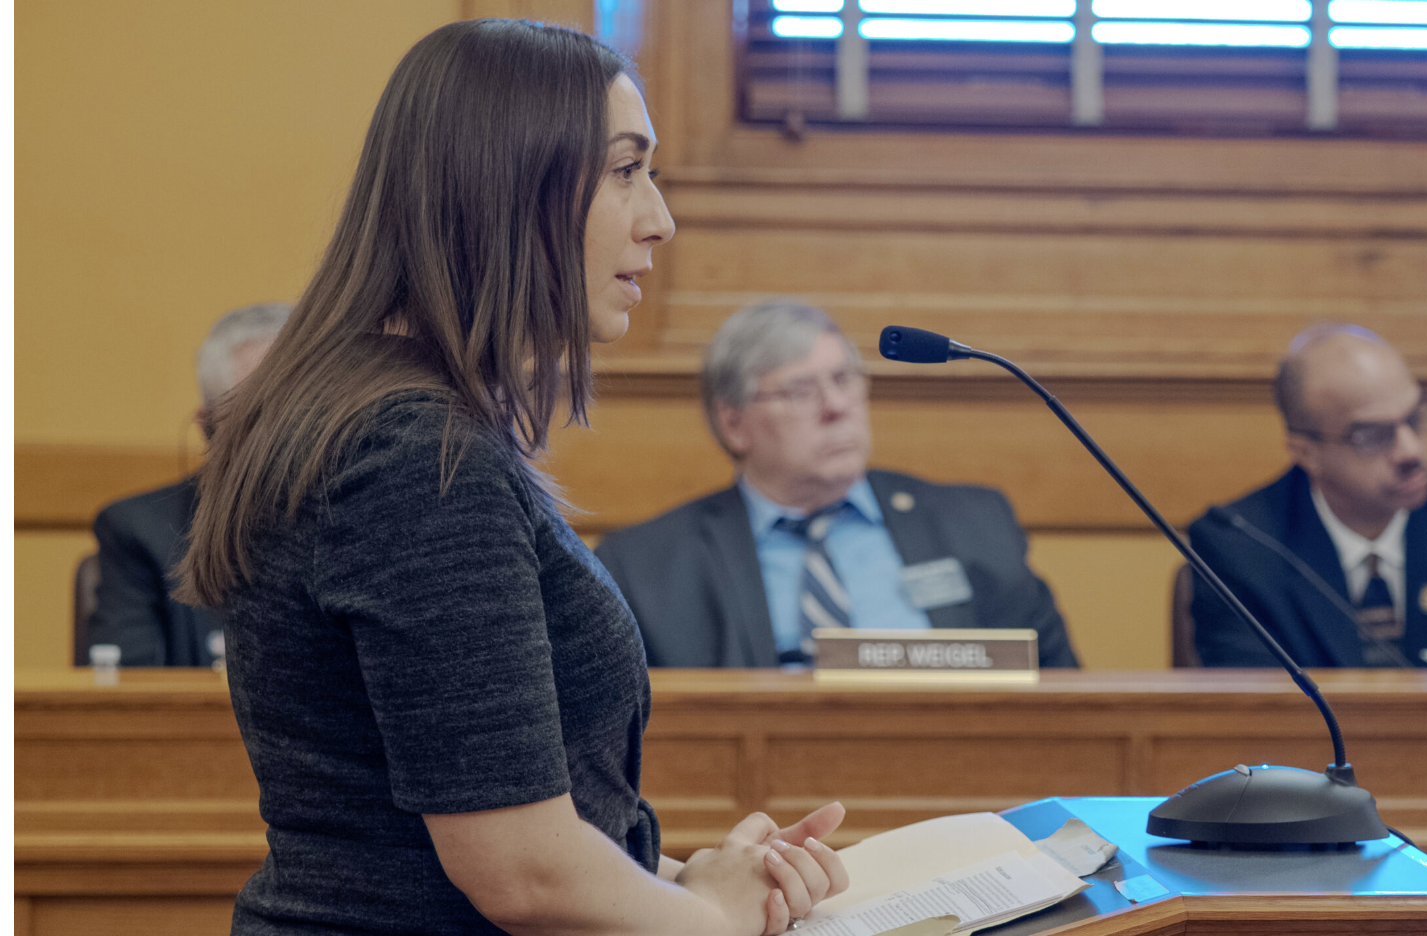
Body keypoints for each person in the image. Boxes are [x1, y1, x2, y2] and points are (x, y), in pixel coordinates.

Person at [173, 21, 846, 936]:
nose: (659, 218)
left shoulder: (380, 420)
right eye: (626, 170)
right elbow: (523, 875)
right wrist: (714, 921)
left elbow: (460, 826)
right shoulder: (413, 457)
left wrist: (699, 882)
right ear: (509, 184)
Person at [596, 300, 1079, 669]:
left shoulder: (975, 525)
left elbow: (1065, 699)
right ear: (734, 423)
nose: (836, 406)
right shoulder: (647, 567)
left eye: (843, 379)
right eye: (800, 390)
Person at [1188, 324, 1427, 669]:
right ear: (1306, 452)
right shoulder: (1239, 549)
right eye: (1372, 435)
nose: (1410, 451)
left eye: (1415, 418)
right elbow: (1253, 705)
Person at [87, 302, 291, 666]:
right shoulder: (139, 531)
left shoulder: (362, 520)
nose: (289, 438)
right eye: (259, 416)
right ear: (207, 427)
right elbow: (130, 689)